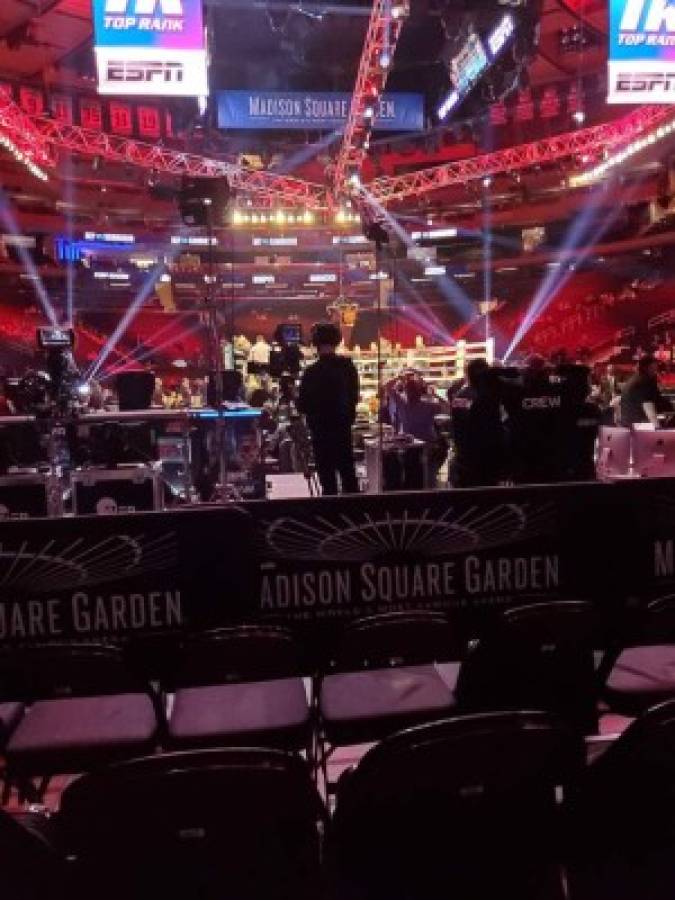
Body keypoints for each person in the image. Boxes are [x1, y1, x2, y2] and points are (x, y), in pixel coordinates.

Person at [297, 322, 359, 495]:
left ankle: (330, 516)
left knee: (327, 479)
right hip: (343, 428)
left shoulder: (311, 372)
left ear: (316, 344)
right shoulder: (348, 367)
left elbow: (303, 405)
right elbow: (354, 397)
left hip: (320, 432)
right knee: (348, 475)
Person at [450, 359, 506, 488]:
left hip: (467, 457)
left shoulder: (460, 396)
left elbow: (458, 426)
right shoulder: (492, 395)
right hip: (487, 457)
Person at [619, 355, 671, 428]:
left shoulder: (637, 378)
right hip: (637, 425)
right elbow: (647, 405)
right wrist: (658, 429)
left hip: (630, 423)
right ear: (646, 368)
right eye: (653, 368)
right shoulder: (643, 381)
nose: (655, 371)